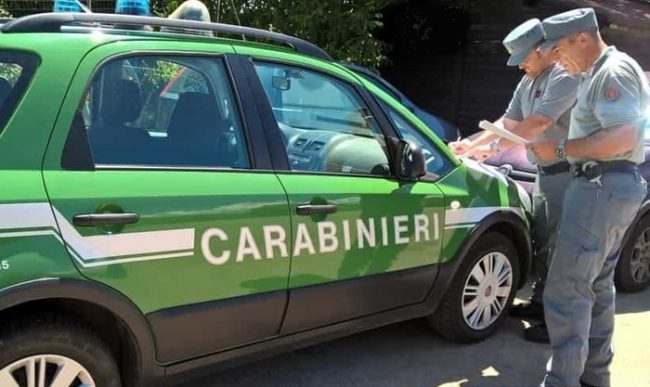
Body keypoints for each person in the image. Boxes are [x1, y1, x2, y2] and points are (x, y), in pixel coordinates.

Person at [528, 8, 648, 387]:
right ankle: (594, 377)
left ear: (582, 38)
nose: (557, 59)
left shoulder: (613, 72)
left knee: (567, 288)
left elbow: (625, 137)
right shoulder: (597, 72)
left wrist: (560, 150)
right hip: (606, 187)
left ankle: (561, 381)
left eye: (559, 49)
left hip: (601, 187)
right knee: (595, 286)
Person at [449, 18, 579, 343]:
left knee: (564, 250)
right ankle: (540, 304)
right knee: (545, 241)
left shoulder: (565, 75)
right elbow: (507, 121)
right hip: (546, 173)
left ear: (543, 49)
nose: (520, 64)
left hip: (572, 175)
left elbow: (536, 124)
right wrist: (472, 145)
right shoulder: (530, 79)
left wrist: (492, 147)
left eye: (524, 56)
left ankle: (559, 325)